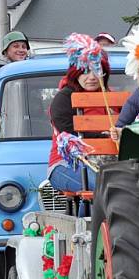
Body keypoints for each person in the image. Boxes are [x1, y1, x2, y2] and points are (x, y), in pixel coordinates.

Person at [47, 43, 115, 193]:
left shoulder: (112, 98)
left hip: (107, 164)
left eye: (97, 71)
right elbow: (68, 130)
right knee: (104, 185)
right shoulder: (64, 97)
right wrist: (103, 135)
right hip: (66, 164)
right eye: (85, 71)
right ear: (75, 73)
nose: (91, 77)